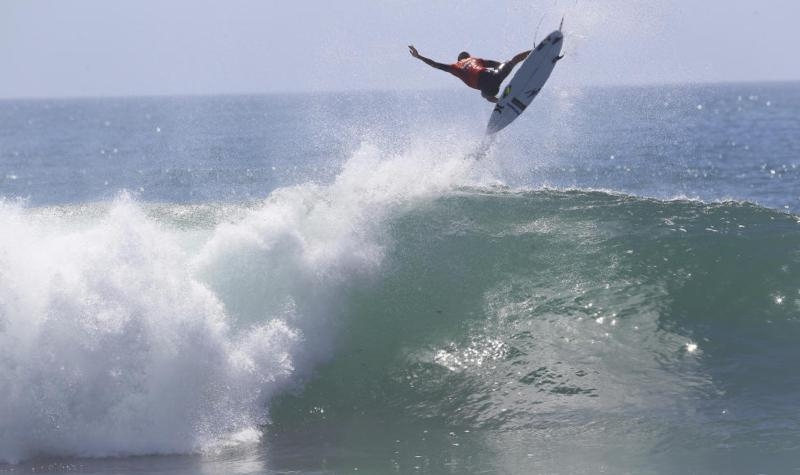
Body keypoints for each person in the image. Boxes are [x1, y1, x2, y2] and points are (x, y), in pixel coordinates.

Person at [408, 45, 530, 103]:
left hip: (487, 89)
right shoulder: (476, 59)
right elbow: (497, 64)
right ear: (468, 57)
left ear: (459, 59)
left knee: (485, 96)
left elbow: (435, 64)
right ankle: (532, 52)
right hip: (491, 76)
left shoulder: (454, 67)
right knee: (512, 61)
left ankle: (500, 101)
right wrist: (506, 69)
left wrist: (419, 57)